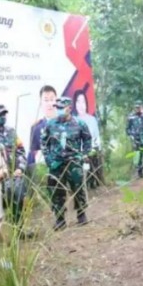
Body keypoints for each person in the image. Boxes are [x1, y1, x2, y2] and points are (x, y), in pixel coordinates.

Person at [41, 97, 93, 230]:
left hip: (74, 161)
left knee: (78, 187)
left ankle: (81, 214)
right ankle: (60, 219)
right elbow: (44, 142)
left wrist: (84, 154)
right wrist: (48, 159)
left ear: (69, 108)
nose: (58, 110)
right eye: (56, 108)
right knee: (56, 191)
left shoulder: (80, 123)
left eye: (61, 108)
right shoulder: (50, 124)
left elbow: (87, 139)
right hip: (56, 163)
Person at [0, 104, 27, 225]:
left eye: (4, 114)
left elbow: (20, 150)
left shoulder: (10, 131)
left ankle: (18, 230)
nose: (3, 117)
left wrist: (20, 168)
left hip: (14, 176)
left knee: (18, 202)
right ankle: (1, 235)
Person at [73, 89, 103, 187]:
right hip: (78, 152)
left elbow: (96, 136)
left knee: (92, 170)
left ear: (86, 103)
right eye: (78, 101)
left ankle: (93, 185)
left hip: (92, 150)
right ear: (75, 104)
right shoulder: (73, 121)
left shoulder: (92, 119)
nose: (81, 105)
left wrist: (98, 148)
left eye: (83, 101)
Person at [27, 85, 58, 173]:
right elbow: (33, 155)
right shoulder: (36, 128)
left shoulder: (66, 124)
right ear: (41, 103)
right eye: (46, 100)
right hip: (45, 174)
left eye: (52, 99)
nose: (49, 103)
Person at [126, 100, 143, 178]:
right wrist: (131, 134)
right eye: (136, 107)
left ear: (142, 107)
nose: (137, 109)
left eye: (139, 107)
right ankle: (139, 173)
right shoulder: (131, 116)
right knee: (138, 156)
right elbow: (127, 128)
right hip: (136, 139)